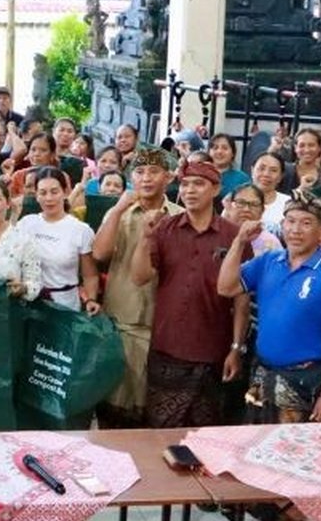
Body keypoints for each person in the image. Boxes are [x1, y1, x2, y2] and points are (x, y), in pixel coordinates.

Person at [127, 161, 248, 427]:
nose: (190, 191)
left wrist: (236, 348)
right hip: (168, 346)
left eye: (198, 184)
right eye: (184, 184)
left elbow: (241, 299)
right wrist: (145, 238)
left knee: (206, 433)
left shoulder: (233, 236)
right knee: (160, 430)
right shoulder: (165, 229)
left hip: (213, 350)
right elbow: (139, 277)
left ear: (215, 189)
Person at [219, 199, 321, 423]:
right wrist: (239, 242)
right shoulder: (268, 261)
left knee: (294, 442)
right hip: (262, 372)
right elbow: (226, 287)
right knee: (257, 436)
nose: (295, 229)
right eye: (290, 221)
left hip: (305, 379)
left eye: (306, 223)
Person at [93, 146, 182, 428]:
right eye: (140, 172)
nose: (146, 178)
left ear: (168, 177)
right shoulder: (119, 213)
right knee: (112, 407)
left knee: (153, 411)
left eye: (154, 171)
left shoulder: (179, 217)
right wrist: (118, 209)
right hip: (121, 318)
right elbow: (99, 254)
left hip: (162, 323)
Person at [16, 168, 99, 312]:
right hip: (28, 304)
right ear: (36, 195)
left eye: (54, 192)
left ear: (65, 192)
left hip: (65, 305)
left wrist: (91, 300)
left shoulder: (81, 230)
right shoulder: (26, 224)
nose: (49, 198)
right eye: (43, 193)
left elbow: (89, 275)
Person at [223, 184, 283, 256]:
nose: (246, 209)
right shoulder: (218, 235)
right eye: (241, 203)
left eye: (254, 204)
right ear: (229, 207)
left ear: (262, 211)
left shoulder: (270, 243)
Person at [250, 152, 290, 236]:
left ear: (280, 177)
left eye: (273, 170)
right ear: (252, 171)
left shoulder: (289, 203)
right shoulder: (236, 201)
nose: (266, 174)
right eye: (261, 168)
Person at [279, 129, 321, 195]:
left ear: (319, 148)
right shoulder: (285, 170)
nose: (307, 150)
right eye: (302, 145)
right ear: (295, 148)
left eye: (311, 145)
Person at [207, 133, 250, 199]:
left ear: (233, 153)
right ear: (209, 152)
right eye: (215, 148)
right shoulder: (201, 175)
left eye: (225, 148)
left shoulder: (242, 179)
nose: (219, 151)